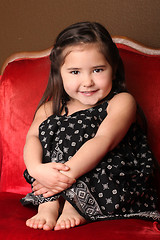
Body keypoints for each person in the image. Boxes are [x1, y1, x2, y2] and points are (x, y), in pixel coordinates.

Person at [21, 21, 160, 231]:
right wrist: (37, 169)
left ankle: (75, 206)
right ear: (60, 73)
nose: (87, 82)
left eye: (97, 70)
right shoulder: (50, 108)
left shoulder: (121, 102)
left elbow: (103, 141)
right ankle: (49, 204)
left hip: (107, 177)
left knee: (96, 156)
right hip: (55, 178)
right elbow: (32, 139)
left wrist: (63, 179)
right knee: (46, 149)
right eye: (75, 72)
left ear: (113, 70)